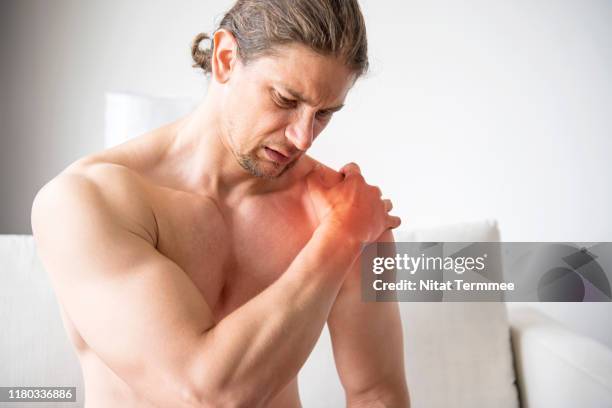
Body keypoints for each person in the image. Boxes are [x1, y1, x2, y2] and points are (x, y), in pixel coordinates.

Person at [31, 0, 409, 406]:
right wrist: (340, 239)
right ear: (225, 58)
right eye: (285, 100)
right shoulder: (85, 202)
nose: (303, 137)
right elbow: (202, 394)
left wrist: (348, 231)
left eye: (324, 113)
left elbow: (376, 392)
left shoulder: (340, 208)